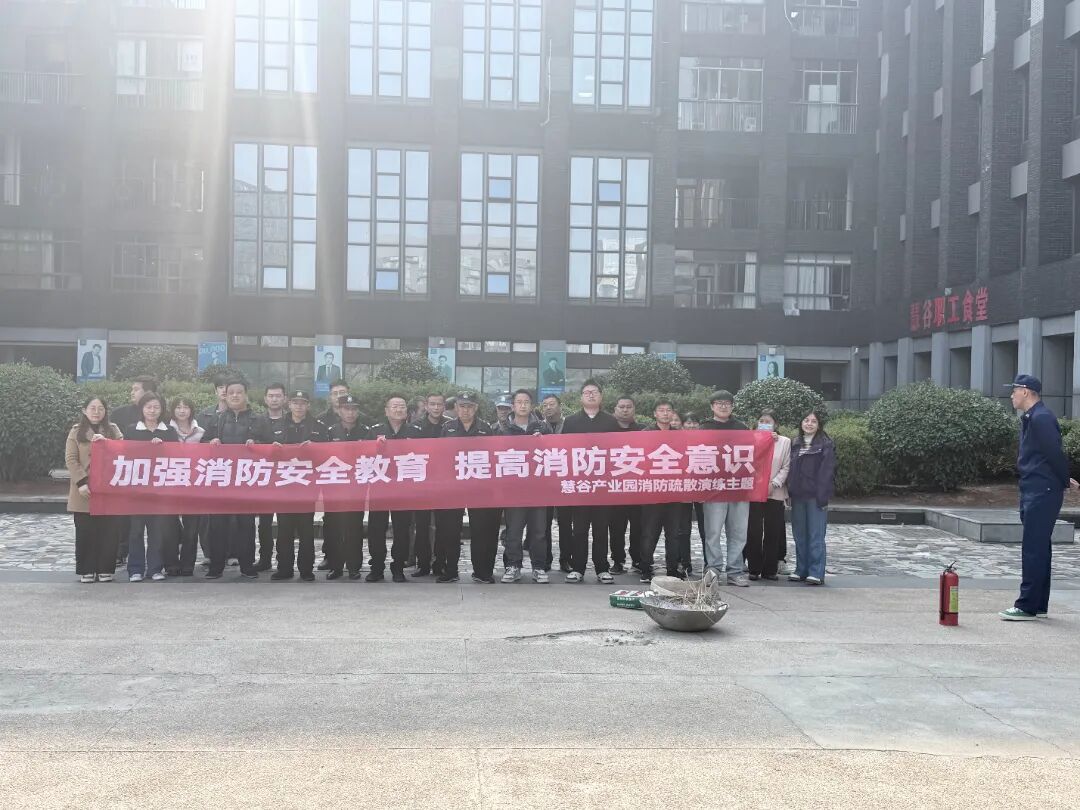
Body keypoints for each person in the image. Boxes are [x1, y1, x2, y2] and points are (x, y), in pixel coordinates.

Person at [1000, 375, 1079, 620]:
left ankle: (1026, 606)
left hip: (1041, 491)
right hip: (1036, 488)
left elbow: (1054, 453)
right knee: (1040, 548)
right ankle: (1038, 604)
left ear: (1026, 392)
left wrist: (1064, 480)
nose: (1011, 395)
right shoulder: (1032, 417)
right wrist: (1064, 479)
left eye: (1014, 390)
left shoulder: (1041, 418)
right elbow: (1045, 455)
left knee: (1033, 549)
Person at [561, 379, 621, 584]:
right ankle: (577, 568)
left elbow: (617, 451)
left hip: (602, 484)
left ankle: (602, 568)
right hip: (580, 484)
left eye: (594, 392)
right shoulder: (571, 422)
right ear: (581, 398)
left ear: (601, 396)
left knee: (601, 529)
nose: (591, 395)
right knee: (579, 529)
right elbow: (564, 451)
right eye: (587, 392)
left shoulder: (611, 422)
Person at [201, 379, 260, 580]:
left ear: (246, 395)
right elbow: (203, 442)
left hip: (246, 479)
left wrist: (257, 443)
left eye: (239, 392)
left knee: (246, 525)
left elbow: (270, 444)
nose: (235, 395)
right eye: (231, 392)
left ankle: (247, 566)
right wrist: (211, 441)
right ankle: (216, 566)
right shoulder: (216, 419)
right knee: (218, 525)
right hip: (222, 479)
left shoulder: (257, 419)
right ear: (225, 395)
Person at [440, 393, 501, 583]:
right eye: (462, 406)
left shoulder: (485, 428)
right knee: (450, 530)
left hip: (479, 487)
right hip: (453, 487)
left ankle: (481, 571)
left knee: (481, 530)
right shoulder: (447, 428)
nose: (465, 410)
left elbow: (493, 456)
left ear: (475, 408)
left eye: (469, 406)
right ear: (456, 408)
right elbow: (440, 455)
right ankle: (450, 570)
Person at [123, 392, 179, 582]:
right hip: (137, 489)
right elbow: (124, 455)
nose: (152, 411)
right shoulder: (132, 430)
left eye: (156, 407)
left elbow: (177, 457)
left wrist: (162, 447)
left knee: (157, 530)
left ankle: (155, 568)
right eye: (148, 407)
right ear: (142, 409)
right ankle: (135, 569)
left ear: (162, 410)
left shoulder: (169, 431)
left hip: (160, 489)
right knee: (136, 530)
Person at [66, 397, 123, 583]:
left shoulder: (113, 429)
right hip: (84, 489)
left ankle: (106, 568)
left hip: (108, 488)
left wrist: (107, 442)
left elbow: (123, 452)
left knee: (109, 531)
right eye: (92, 408)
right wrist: (81, 482)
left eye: (100, 408)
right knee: (85, 531)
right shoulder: (76, 431)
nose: (96, 412)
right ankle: (87, 569)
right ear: (84, 410)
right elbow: (71, 459)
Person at [498, 389, 552, 583]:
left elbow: (555, 454)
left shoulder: (543, 427)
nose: (522, 405)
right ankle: (513, 566)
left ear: (532, 405)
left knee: (539, 531)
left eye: (526, 402)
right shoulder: (502, 428)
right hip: (513, 489)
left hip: (538, 488)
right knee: (514, 530)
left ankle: (539, 567)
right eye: (519, 402)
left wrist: (543, 441)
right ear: (513, 406)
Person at [269, 391, 324, 582]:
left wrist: (315, 447)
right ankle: (284, 568)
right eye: (295, 402)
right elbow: (264, 450)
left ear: (308, 405)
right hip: (284, 484)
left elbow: (328, 453)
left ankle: (306, 569)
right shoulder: (276, 425)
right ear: (289, 404)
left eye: (303, 403)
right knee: (284, 529)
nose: (299, 406)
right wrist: (272, 449)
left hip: (307, 484)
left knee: (306, 530)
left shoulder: (318, 426)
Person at [700, 390, 751, 587]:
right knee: (713, 531)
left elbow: (755, 452)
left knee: (738, 532)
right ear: (712, 406)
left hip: (739, 487)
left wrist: (768, 438)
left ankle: (735, 571)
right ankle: (713, 568)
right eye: (719, 403)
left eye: (727, 403)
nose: (723, 406)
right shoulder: (704, 428)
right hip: (714, 488)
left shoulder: (742, 428)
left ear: (732, 406)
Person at [367, 394, 414, 582]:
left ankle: (398, 567)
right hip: (380, 486)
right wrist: (375, 448)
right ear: (386, 411)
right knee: (376, 528)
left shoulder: (415, 431)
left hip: (404, 488)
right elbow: (363, 457)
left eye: (402, 406)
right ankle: (376, 567)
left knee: (402, 529)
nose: (398, 409)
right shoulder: (374, 431)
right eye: (394, 406)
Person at [322, 394, 369, 580]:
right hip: (334, 487)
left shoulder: (366, 432)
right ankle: (336, 566)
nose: (350, 413)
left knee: (354, 528)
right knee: (334, 528)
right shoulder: (329, 431)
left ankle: (354, 566)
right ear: (339, 411)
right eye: (347, 409)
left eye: (354, 409)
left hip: (356, 488)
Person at [788, 410, 836, 586]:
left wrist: (822, 497)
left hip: (816, 496)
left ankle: (816, 572)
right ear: (801, 423)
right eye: (806, 420)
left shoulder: (825, 444)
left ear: (819, 425)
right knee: (799, 534)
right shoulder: (795, 443)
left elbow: (827, 472)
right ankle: (801, 569)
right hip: (798, 495)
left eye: (813, 421)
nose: (809, 424)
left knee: (816, 535)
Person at [640, 399, 686, 583]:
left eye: (668, 410)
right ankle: (645, 569)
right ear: (655, 413)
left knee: (673, 534)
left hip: (674, 492)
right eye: (661, 410)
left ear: (673, 413)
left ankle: (672, 570)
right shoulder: (646, 434)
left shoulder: (680, 435)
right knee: (649, 533)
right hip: (652, 492)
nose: (665, 413)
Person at [406, 392, 449, 577]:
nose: (436, 408)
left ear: (444, 406)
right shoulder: (414, 427)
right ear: (426, 405)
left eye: (439, 404)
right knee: (421, 525)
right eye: (432, 404)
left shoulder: (450, 426)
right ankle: (422, 564)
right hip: (421, 483)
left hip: (443, 482)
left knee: (442, 526)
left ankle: (440, 563)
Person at [745, 409, 791, 582]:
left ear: (775, 424)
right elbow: (746, 463)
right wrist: (759, 483)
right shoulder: (750, 440)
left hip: (775, 492)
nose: (764, 424)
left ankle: (770, 569)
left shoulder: (784, 442)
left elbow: (786, 466)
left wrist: (774, 483)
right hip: (754, 491)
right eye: (761, 421)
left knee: (773, 531)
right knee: (754, 531)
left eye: (768, 421)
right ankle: (754, 568)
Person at [165, 396, 205, 576]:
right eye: (178, 407)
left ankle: (188, 564)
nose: (182, 411)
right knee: (170, 526)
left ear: (191, 410)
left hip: (194, 485)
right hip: (170, 483)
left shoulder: (200, 432)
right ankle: (171, 563)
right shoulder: (165, 431)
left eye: (186, 407)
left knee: (192, 527)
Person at [252, 382, 288, 571]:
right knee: (264, 523)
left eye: (278, 396)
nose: (274, 399)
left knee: (284, 523)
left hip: (286, 478)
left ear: (285, 399)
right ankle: (264, 559)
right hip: (264, 477)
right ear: (265, 399)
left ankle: (283, 561)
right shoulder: (257, 420)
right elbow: (251, 444)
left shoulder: (290, 420)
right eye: (271, 396)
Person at [608, 395, 643, 574]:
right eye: (621, 406)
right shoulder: (607, 431)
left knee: (639, 528)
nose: (625, 410)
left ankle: (638, 559)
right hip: (615, 489)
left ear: (634, 409)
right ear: (615, 409)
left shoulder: (643, 431)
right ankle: (618, 560)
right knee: (616, 528)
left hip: (638, 489)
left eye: (628, 406)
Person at [541, 394, 571, 573]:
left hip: (565, 481)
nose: (548, 408)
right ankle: (545, 559)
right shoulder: (538, 426)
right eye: (545, 405)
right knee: (543, 524)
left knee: (565, 523)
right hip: (544, 483)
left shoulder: (570, 426)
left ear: (560, 406)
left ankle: (566, 559)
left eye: (552, 404)